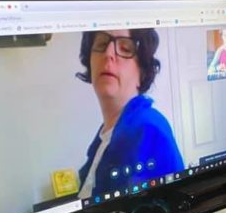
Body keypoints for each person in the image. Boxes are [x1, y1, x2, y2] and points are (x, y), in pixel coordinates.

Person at [76, 28, 184, 198]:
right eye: (101, 45)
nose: (108, 54)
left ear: (142, 71)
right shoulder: (102, 139)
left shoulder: (147, 128)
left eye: (125, 49)